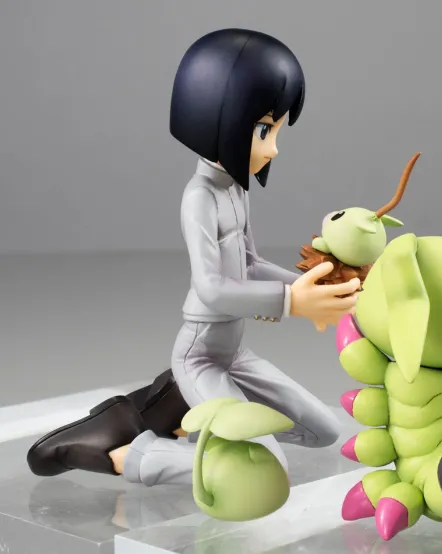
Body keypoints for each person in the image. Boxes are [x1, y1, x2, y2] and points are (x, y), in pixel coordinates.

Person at [27, 28, 360, 486]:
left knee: (323, 430)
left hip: (233, 355)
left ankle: (187, 417)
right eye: (264, 130)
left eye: (276, 130)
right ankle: (129, 453)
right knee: (262, 471)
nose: (273, 147)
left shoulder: (236, 191)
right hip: (199, 356)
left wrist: (317, 285)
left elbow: (249, 265)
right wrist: (290, 301)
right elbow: (211, 288)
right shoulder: (199, 197)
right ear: (215, 119)